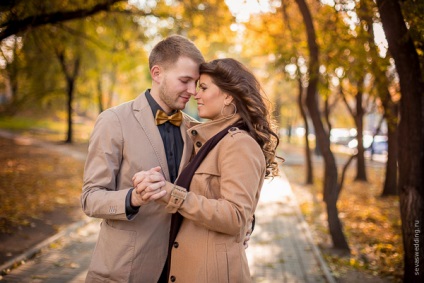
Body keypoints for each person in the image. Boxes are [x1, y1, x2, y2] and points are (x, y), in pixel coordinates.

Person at [133, 58, 280, 282]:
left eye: (203, 87)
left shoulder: (239, 143)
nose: (195, 94)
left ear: (228, 96)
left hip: (212, 273)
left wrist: (171, 193)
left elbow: (235, 216)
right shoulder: (212, 139)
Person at [80, 35, 205, 282]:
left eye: (196, 83)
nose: (192, 91)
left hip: (183, 269)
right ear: (157, 73)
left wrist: (244, 225)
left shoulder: (196, 130)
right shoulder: (113, 121)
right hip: (125, 270)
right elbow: (90, 198)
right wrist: (134, 197)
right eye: (185, 80)